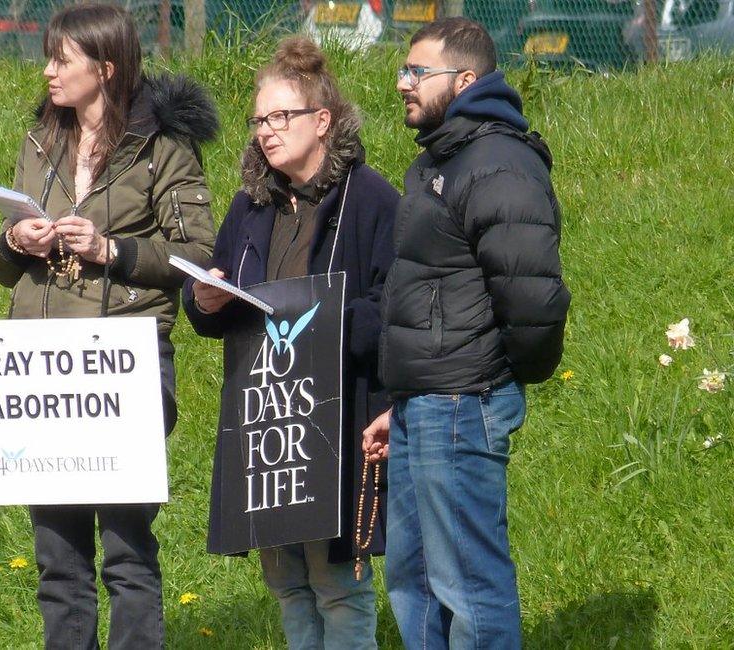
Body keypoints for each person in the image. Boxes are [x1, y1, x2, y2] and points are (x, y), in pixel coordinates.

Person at [0, 5, 217, 648]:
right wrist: (16, 238)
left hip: (124, 364)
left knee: (126, 546)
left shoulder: (162, 147)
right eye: (48, 57)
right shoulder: (40, 139)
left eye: (62, 59)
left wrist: (110, 250)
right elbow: (2, 268)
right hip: (44, 368)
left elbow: (198, 255)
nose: (48, 71)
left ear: (106, 68)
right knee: (57, 558)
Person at [362, 17, 571, 649]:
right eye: (403, 69)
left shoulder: (497, 162)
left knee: (469, 587)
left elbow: (533, 299)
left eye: (417, 72)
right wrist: (403, 397)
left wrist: (490, 380)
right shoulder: (442, 158)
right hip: (424, 402)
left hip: (461, 402)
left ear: (466, 78)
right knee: (415, 582)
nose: (403, 83)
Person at [183, 36, 398, 650]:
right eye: (258, 120)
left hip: (337, 413)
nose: (265, 132)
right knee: (285, 583)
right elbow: (217, 304)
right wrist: (203, 301)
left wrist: (325, 323)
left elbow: (397, 307)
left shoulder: (374, 201)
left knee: (338, 585)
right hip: (268, 421)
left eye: (280, 117)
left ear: (322, 120)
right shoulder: (250, 206)